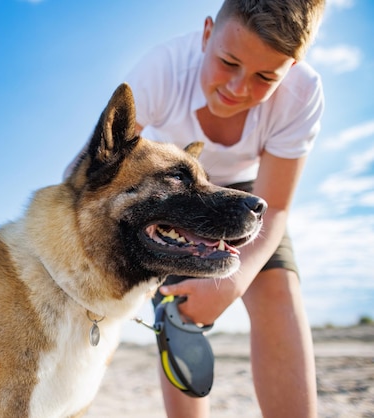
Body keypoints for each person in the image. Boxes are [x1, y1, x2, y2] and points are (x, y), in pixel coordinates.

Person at [67, 0, 326, 416]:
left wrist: (237, 278)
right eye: (228, 62)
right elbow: (91, 168)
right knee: (178, 314)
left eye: (265, 77)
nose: (239, 88)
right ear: (207, 34)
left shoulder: (303, 93)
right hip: (175, 191)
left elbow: (275, 206)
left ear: (291, 70)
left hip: (247, 189)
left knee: (276, 288)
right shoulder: (163, 69)